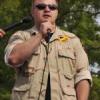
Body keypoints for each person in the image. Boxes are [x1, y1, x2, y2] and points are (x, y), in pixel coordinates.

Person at [4, 0, 92, 100]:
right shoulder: (21, 36)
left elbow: (82, 76)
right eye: (41, 6)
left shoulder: (73, 41)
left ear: (57, 12)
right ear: (32, 11)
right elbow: (13, 59)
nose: (47, 9)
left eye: (52, 7)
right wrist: (40, 34)